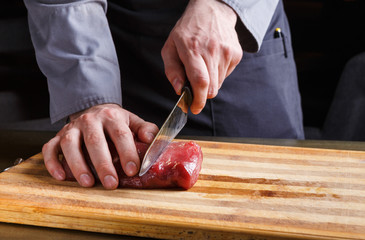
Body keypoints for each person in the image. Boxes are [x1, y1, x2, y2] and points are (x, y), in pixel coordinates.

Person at [23, 0, 304, 189]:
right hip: (113, 44)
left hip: (238, 34)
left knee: (273, 186)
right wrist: (92, 98)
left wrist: (221, 5)